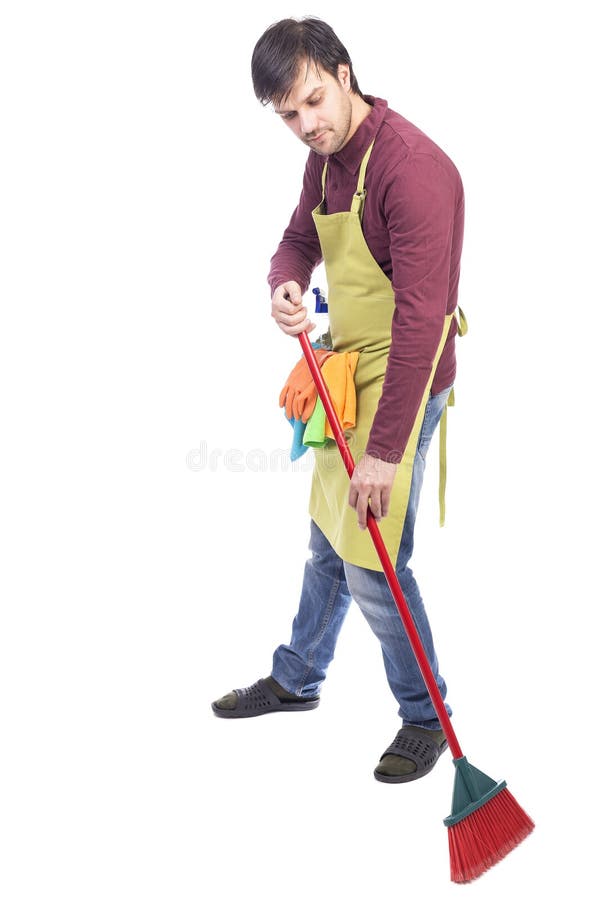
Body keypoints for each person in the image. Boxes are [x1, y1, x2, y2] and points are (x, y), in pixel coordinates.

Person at [212, 17, 466, 784]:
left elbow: (422, 324)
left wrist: (385, 454)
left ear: (343, 72)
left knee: (374, 564)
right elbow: (297, 240)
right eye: (288, 115)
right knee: (330, 536)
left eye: (315, 101)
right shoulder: (325, 162)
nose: (306, 125)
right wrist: (284, 285)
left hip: (408, 380)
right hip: (350, 369)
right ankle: (298, 676)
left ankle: (425, 715)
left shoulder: (412, 170)